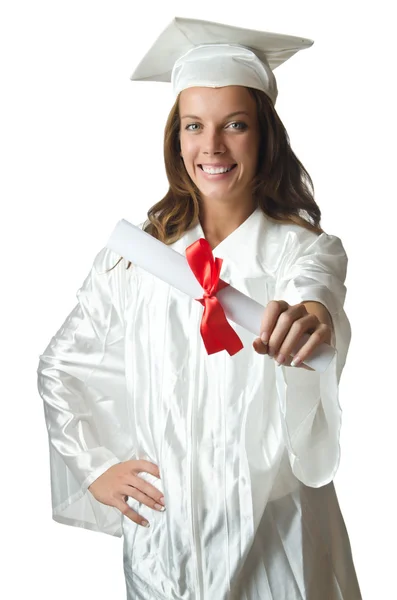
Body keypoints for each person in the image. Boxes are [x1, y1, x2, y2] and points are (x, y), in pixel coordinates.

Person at [37, 16, 362, 600]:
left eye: (234, 125)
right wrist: (93, 466)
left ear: (263, 136)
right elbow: (62, 366)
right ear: (177, 139)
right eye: (194, 126)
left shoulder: (301, 250)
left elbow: (315, 290)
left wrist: (310, 315)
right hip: (168, 544)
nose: (211, 146)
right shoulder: (139, 258)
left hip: (275, 538)